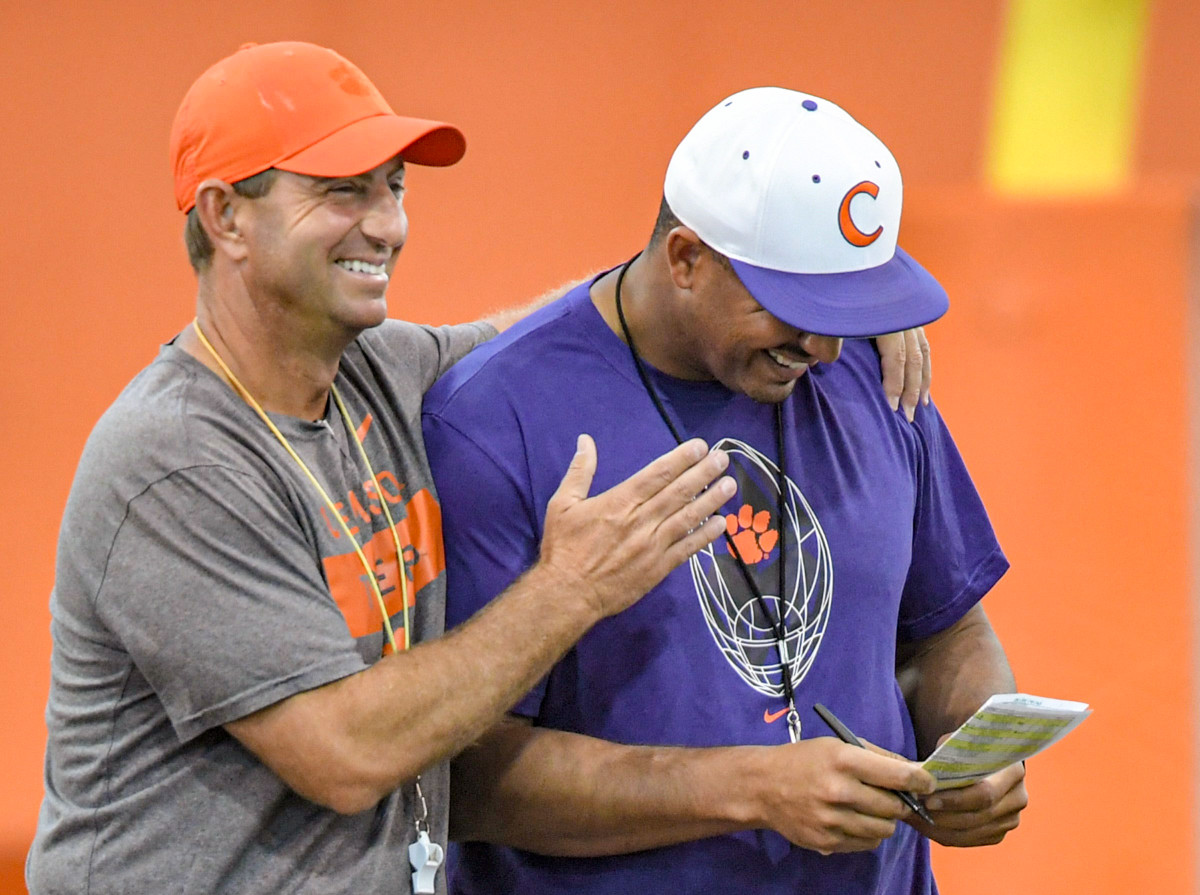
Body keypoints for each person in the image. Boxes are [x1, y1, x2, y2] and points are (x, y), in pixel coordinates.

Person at [25, 42, 741, 895]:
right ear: (224, 216)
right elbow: (346, 750)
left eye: (393, 187)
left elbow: (573, 338)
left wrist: (804, 295)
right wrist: (572, 587)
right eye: (342, 190)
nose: (387, 223)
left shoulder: (382, 371)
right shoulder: (174, 458)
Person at [422, 87, 1026, 895]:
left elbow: (947, 631)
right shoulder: (495, 421)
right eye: (792, 305)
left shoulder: (875, 373)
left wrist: (977, 750)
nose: (818, 344)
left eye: (844, 303)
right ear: (685, 258)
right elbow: (468, 777)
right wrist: (753, 788)